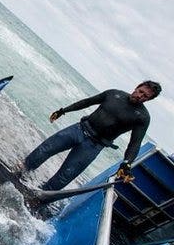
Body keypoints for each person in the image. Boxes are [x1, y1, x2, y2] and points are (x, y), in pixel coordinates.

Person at [20, 81, 162, 191]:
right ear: (137, 87)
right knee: (44, 150)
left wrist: (126, 163)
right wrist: (63, 111)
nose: (139, 96)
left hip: (94, 145)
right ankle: (19, 173)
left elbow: (135, 143)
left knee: (65, 176)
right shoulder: (114, 94)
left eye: (145, 96)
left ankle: (36, 196)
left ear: (148, 100)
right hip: (78, 130)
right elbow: (87, 102)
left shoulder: (143, 117)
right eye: (140, 91)